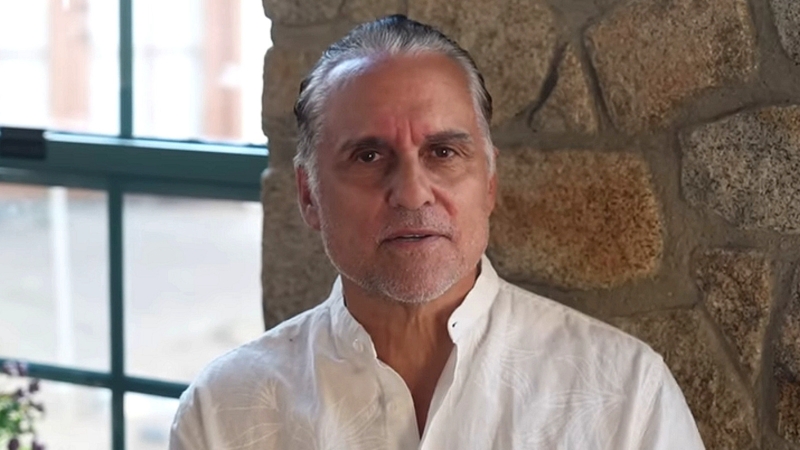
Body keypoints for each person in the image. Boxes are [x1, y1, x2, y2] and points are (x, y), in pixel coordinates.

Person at [169, 15, 705, 450]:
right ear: (309, 196)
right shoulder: (223, 412)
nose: (412, 193)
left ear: (489, 182)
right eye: (369, 156)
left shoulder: (626, 395)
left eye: (443, 152)